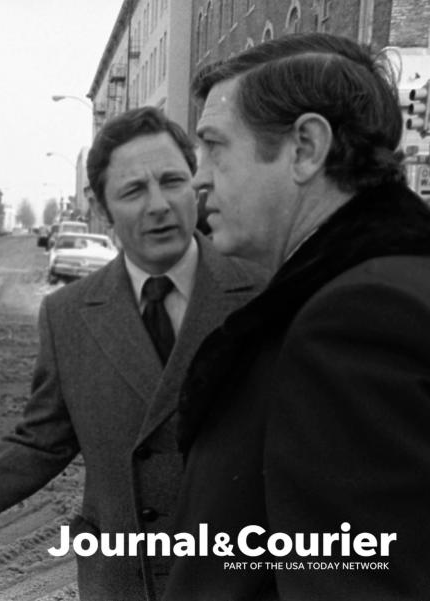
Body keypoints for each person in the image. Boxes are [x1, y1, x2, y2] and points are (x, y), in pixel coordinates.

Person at [0, 107, 265, 600]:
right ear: (101, 208)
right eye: (133, 191)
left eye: (172, 181)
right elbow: (43, 442)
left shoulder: (262, 294)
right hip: (122, 582)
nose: (159, 204)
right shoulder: (70, 314)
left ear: (196, 186)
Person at [163, 33, 430, 601]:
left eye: (214, 146)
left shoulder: (354, 323)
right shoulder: (380, 288)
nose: (198, 178)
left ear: (306, 147)